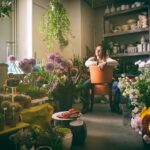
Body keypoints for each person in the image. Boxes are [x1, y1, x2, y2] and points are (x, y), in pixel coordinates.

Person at [81, 44, 122, 114]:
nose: (98, 51)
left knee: (118, 86)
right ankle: (86, 106)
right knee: (84, 85)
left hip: (109, 80)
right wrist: (97, 63)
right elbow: (86, 63)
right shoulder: (92, 59)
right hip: (94, 80)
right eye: (97, 50)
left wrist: (105, 63)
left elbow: (116, 62)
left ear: (103, 51)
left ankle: (116, 106)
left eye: (100, 50)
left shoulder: (106, 58)